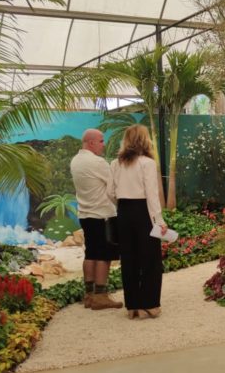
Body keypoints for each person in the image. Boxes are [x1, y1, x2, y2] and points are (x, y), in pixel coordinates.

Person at [110, 124, 168, 319]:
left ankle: (133, 306)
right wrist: (159, 220)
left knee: (129, 259)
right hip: (143, 212)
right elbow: (152, 194)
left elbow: (110, 192)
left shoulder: (115, 164)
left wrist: (122, 205)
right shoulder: (147, 163)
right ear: (145, 140)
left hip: (123, 212)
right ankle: (150, 304)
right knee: (151, 259)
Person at [70, 128, 122, 310]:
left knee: (91, 253)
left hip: (85, 215)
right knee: (104, 255)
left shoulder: (76, 161)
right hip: (103, 216)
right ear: (91, 142)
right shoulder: (97, 162)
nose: (104, 144)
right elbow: (115, 184)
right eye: (101, 141)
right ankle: (101, 296)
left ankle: (89, 294)